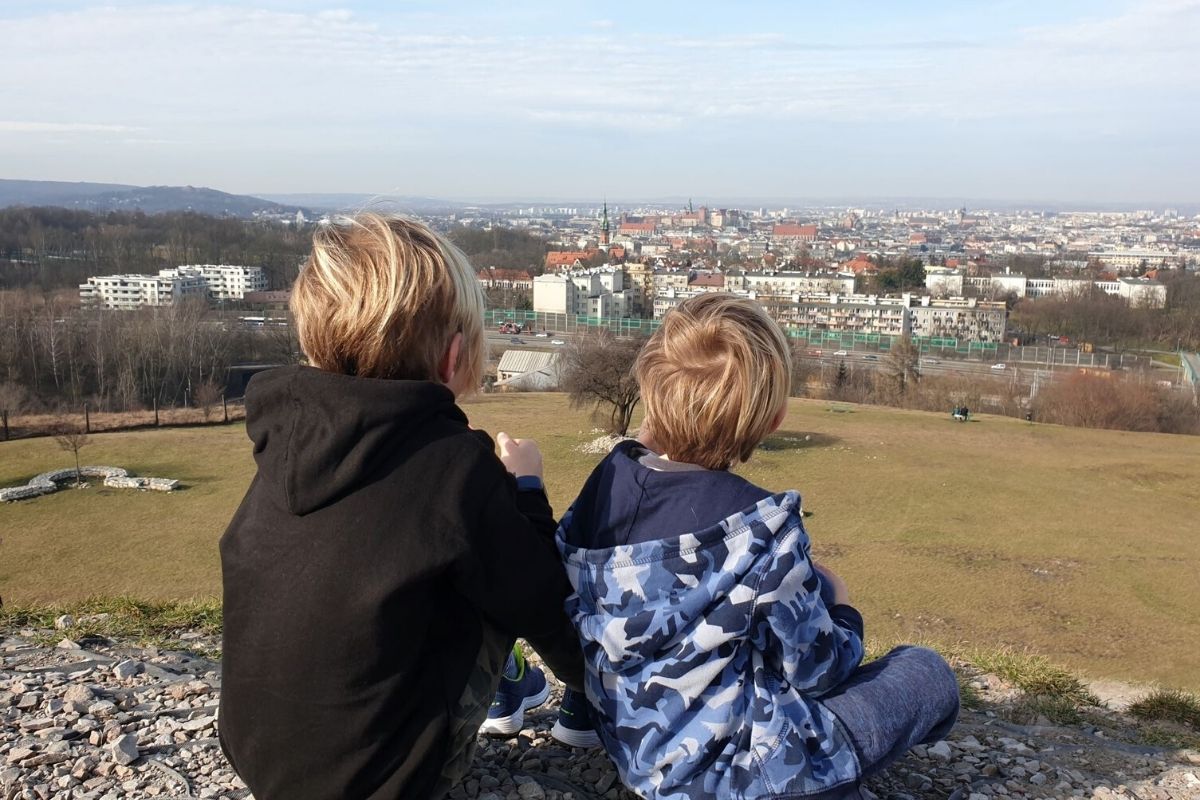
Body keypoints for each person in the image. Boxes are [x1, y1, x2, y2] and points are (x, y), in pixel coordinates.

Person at [219, 213, 582, 800]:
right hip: (390, 782)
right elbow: (548, 608)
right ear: (453, 356)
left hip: (257, 756)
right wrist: (526, 491)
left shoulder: (286, 443)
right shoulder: (457, 466)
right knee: (490, 567)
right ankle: (513, 692)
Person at [556, 293, 959, 799]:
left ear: (648, 389)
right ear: (775, 417)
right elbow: (818, 669)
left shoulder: (604, 488)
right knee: (925, 671)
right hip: (752, 774)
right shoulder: (762, 529)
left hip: (643, 763)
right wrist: (843, 606)